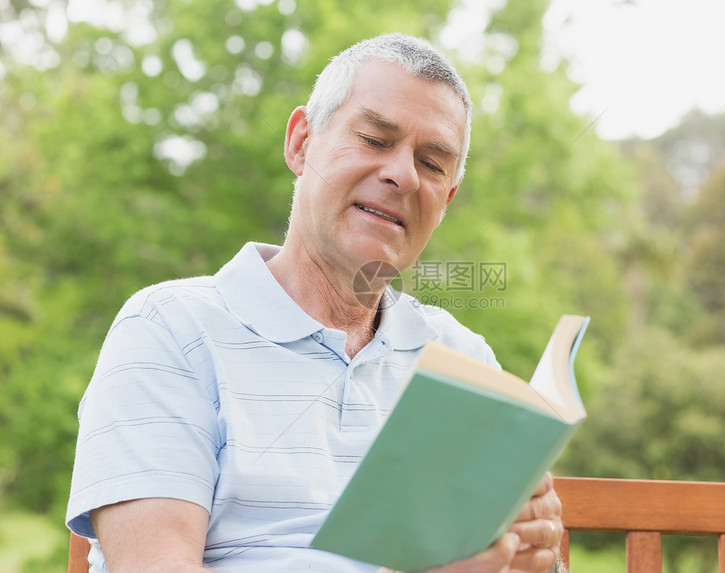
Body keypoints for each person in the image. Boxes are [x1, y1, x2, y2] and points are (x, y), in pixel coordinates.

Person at [66, 33, 565, 573]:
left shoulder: (464, 359)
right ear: (301, 142)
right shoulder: (168, 329)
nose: (402, 174)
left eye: (432, 163)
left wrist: (530, 552)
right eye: (375, 139)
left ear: (445, 200)